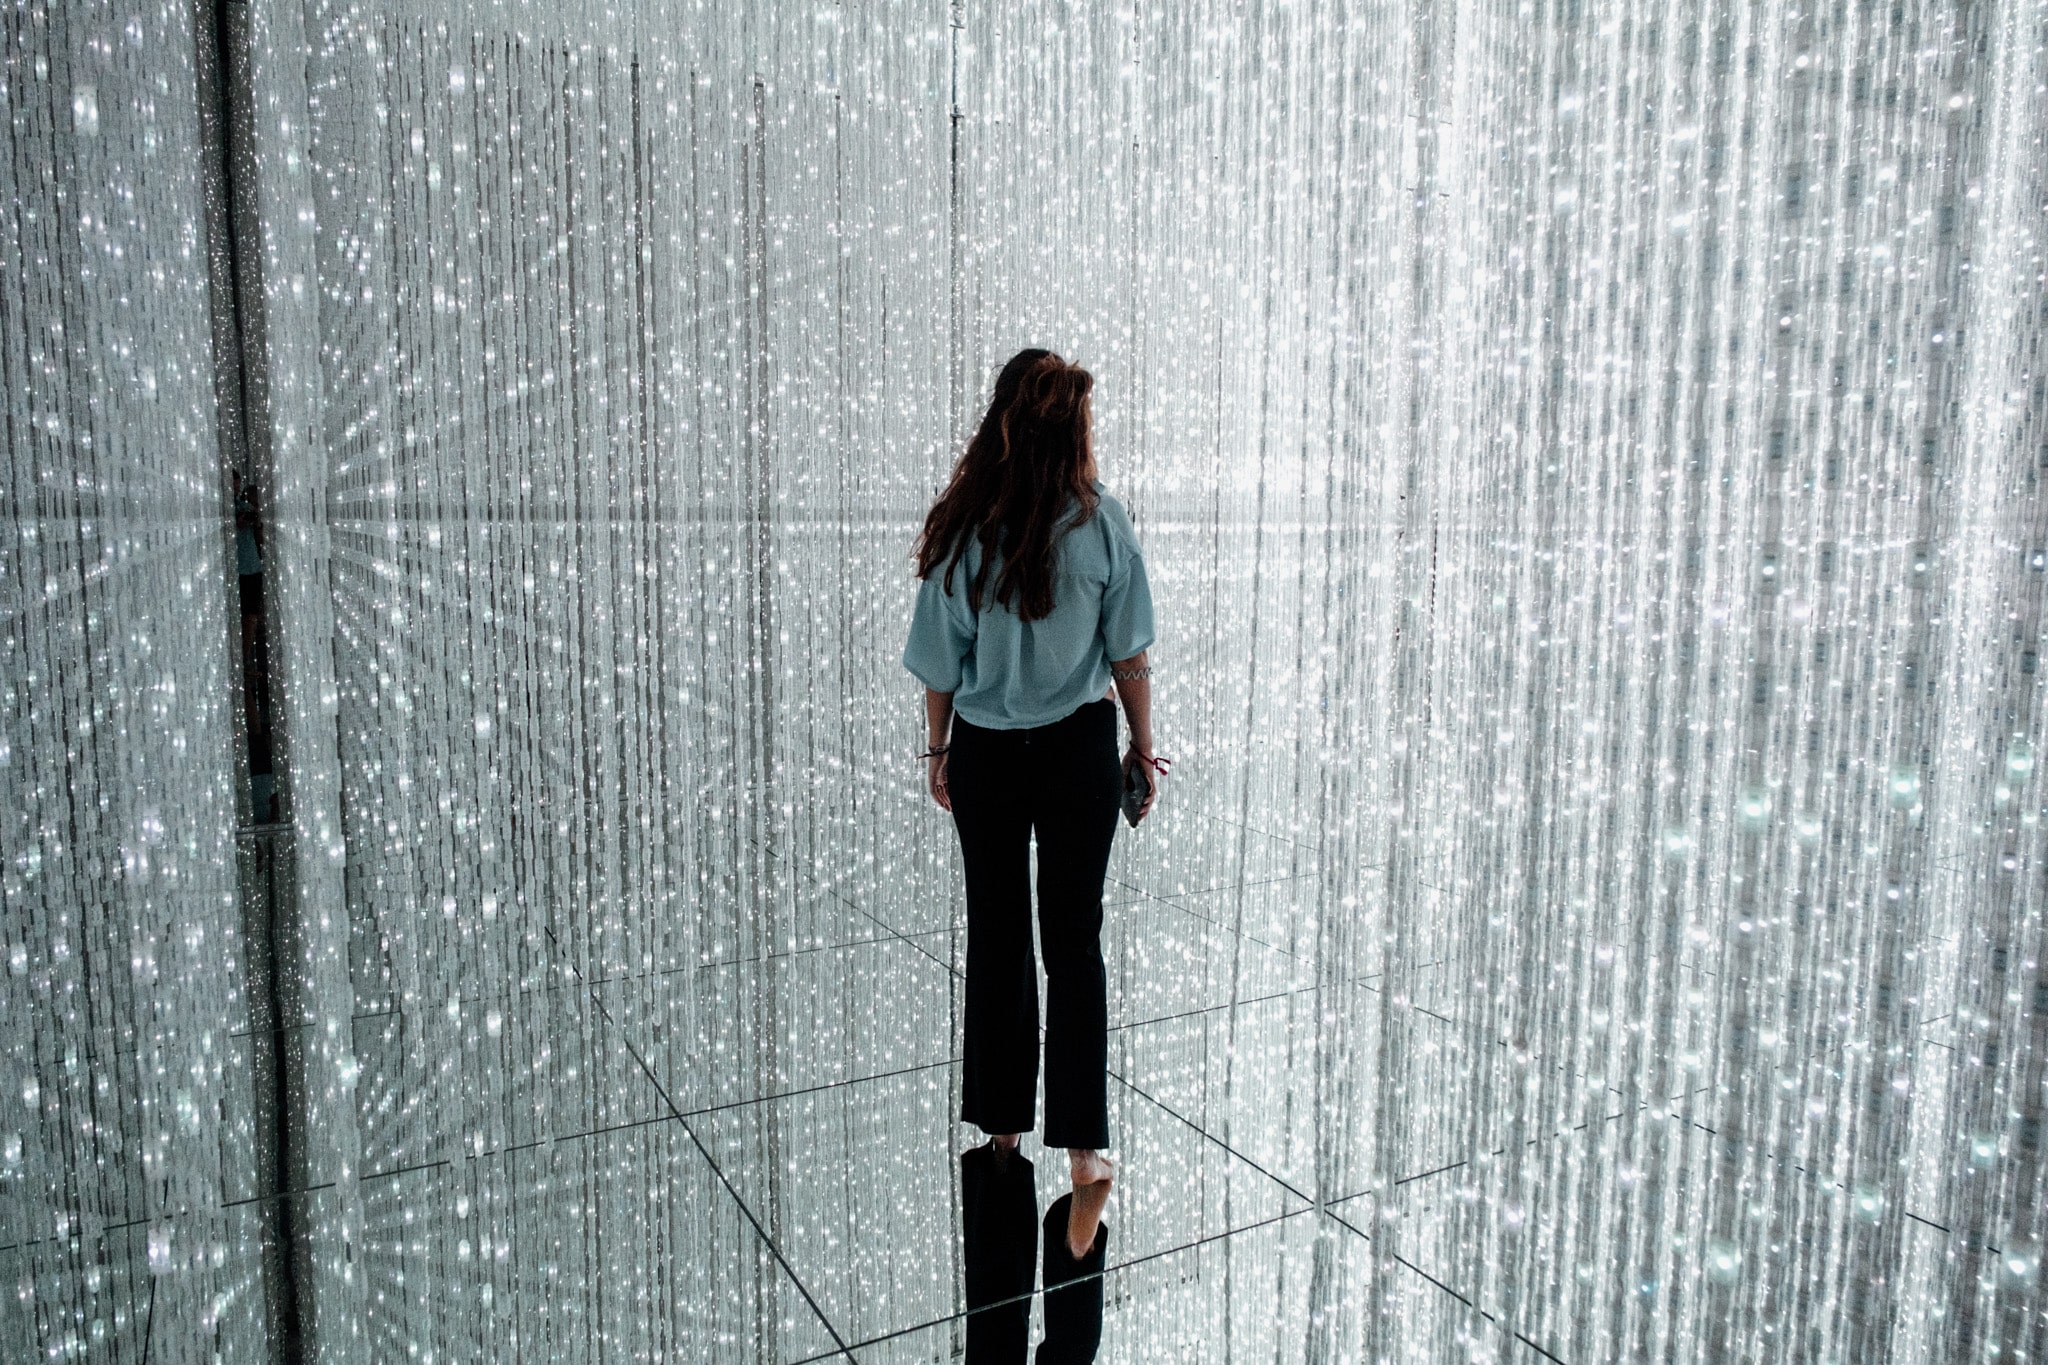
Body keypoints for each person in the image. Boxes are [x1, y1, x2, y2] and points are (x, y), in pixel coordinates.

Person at [903, 348, 1163, 1263]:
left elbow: (940, 666)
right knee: (1073, 942)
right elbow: (1129, 653)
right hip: (1079, 754)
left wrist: (937, 750)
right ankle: (1086, 1148)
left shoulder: (969, 529)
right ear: (1072, 429)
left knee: (1001, 934)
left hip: (987, 755)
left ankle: (1005, 1132)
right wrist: (1140, 741)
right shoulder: (1102, 527)